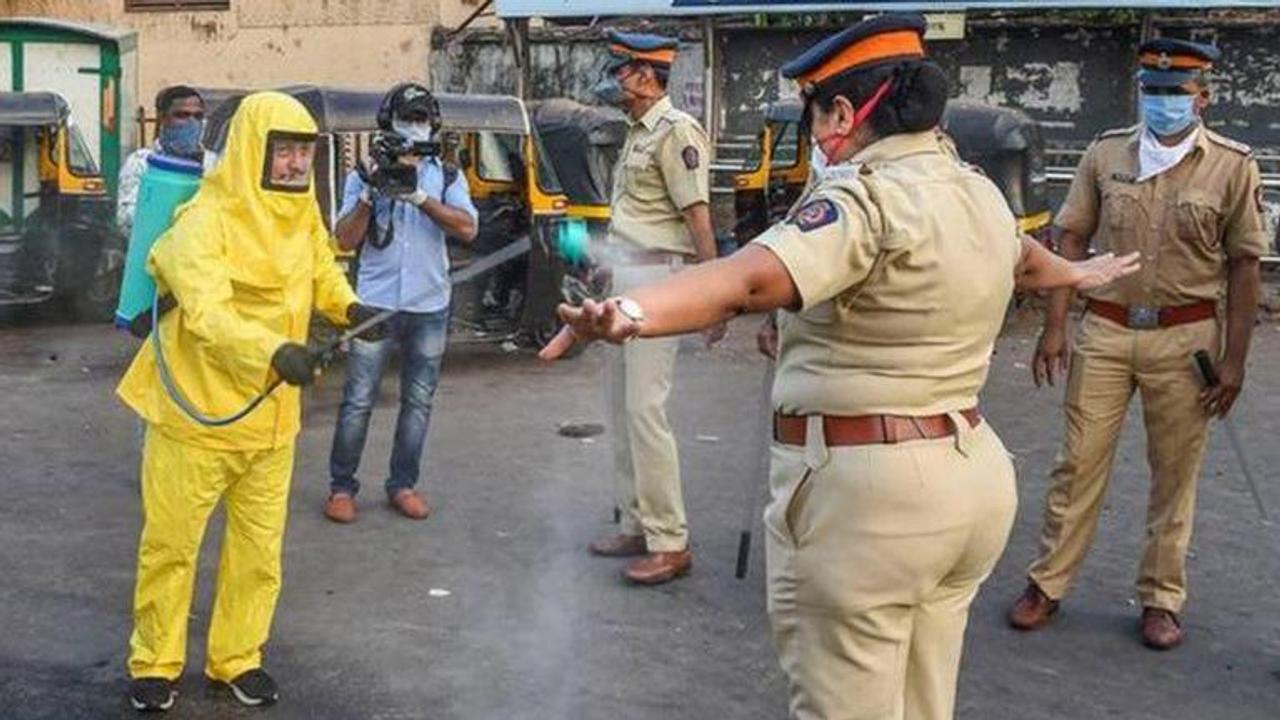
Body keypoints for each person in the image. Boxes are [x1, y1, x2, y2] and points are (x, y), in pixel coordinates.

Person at [540, 15, 1139, 719]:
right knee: (922, 700)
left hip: (873, 502)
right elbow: (1027, 259)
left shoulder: (863, 197)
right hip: (970, 478)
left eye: (816, 113)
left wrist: (631, 314)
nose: (816, 135)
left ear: (846, 114)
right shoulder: (974, 188)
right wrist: (1077, 270)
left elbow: (747, 280)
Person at [116, 91, 383, 712]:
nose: (294, 165)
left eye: (303, 152)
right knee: (171, 547)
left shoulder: (299, 213)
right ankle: (154, 662)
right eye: (283, 151)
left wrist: (349, 306)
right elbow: (207, 315)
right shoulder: (204, 222)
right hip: (196, 418)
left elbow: (321, 266)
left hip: (270, 424)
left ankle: (238, 657)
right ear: (250, 152)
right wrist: (275, 353)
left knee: (258, 553)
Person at [1008, 38, 1268, 650]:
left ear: (1203, 98)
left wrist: (1234, 361)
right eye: (1153, 92)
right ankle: (1047, 584)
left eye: (1176, 94)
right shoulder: (1106, 154)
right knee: (1077, 463)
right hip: (1106, 330)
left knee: (1175, 474)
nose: (1163, 103)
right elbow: (1070, 243)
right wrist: (1053, 327)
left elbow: (1245, 266)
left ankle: (1160, 598)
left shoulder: (1232, 165)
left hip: (1187, 339)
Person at [583, 30, 722, 585]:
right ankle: (636, 521)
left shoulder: (675, 132)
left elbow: (699, 219)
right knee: (621, 407)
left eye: (623, 69)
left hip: (658, 282)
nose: (616, 78)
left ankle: (671, 540)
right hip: (626, 276)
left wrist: (714, 297)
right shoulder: (636, 132)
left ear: (647, 74)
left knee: (645, 411)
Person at [323, 82, 478, 524]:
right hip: (374, 303)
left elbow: (467, 229)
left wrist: (420, 198)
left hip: (429, 304)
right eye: (406, 118)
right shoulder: (362, 175)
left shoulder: (446, 176)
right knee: (356, 400)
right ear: (388, 122)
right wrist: (372, 197)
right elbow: (344, 239)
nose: (414, 127)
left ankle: (403, 484)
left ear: (433, 124)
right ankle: (341, 487)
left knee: (418, 400)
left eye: (421, 118)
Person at [117, 85, 209, 237]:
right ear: (163, 118)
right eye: (181, 115)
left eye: (197, 116)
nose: (191, 123)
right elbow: (127, 221)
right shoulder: (142, 163)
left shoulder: (213, 164)